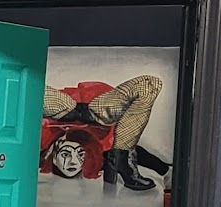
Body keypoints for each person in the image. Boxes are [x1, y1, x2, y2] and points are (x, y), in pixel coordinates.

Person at [41, 76, 173, 191]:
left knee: (149, 83)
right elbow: (136, 153)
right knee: (149, 84)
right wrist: (166, 172)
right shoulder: (104, 155)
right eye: (80, 155)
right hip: (99, 115)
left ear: (52, 153)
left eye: (66, 154)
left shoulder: (41, 142)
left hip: (67, 108)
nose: (73, 162)